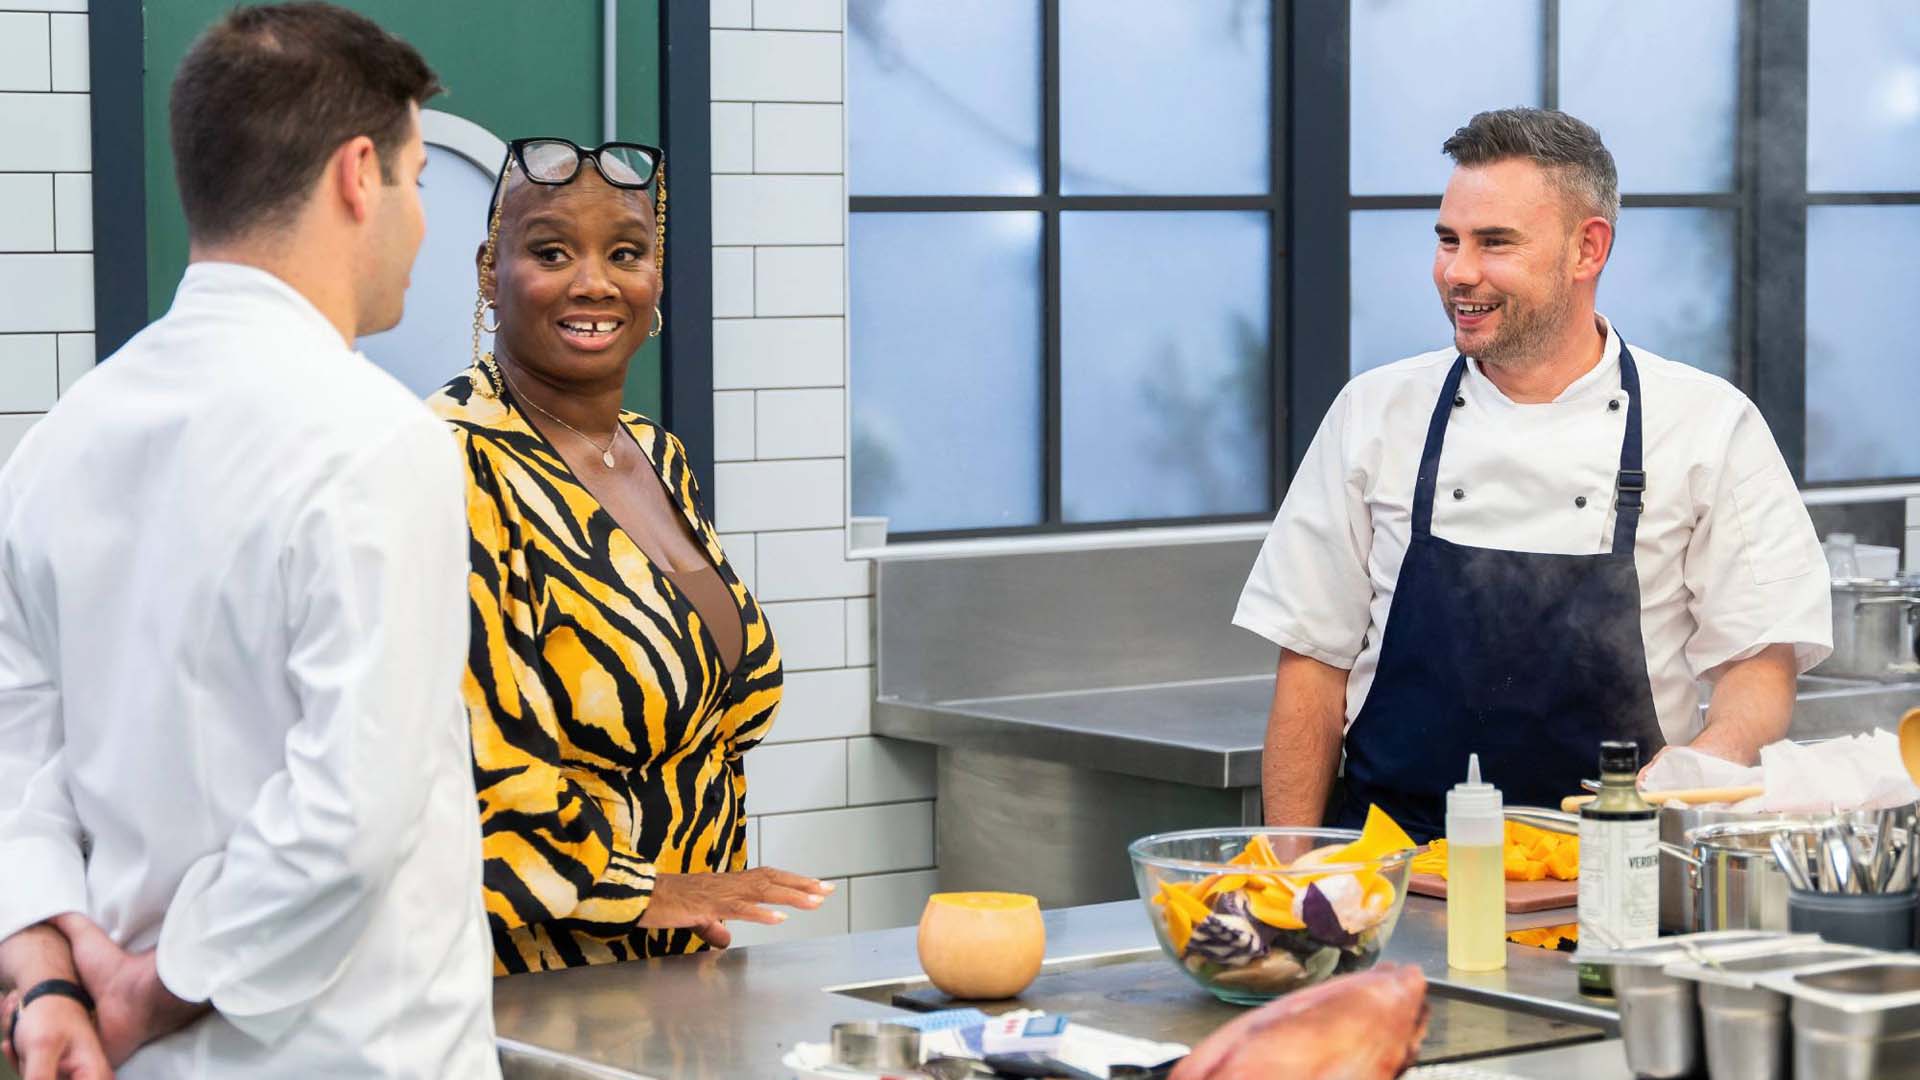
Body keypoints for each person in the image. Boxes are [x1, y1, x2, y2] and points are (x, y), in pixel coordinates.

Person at [0, 5, 499, 1077]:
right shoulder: (376, 442)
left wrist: (46, 982)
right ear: (358, 175)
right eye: (416, 179)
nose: (421, 223)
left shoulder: (57, 446)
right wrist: (162, 985)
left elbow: (16, 770)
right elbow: (348, 812)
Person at [1235, 108, 1831, 841]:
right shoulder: (1375, 413)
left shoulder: (1708, 424)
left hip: (1617, 868)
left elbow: (1758, 659)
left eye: (1495, 244)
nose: (1459, 272)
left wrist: (1712, 756)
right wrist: (1295, 877)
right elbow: (1311, 667)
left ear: (1588, 249)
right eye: (1448, 240)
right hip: (1387, 876)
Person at [431, 137, 831, 973]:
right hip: (524, 979)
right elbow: (464, 754)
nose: (594, 282)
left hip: (672, 972)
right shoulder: (449, 460)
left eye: (626, 252)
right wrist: (650, 893)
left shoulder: (656, 455)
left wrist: (695, 895)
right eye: (550, 252)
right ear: (486, 273)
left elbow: (703, 733)